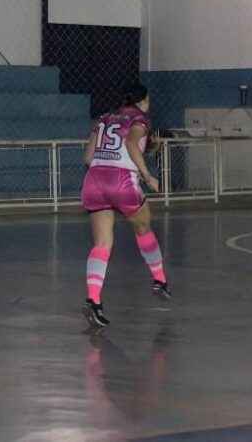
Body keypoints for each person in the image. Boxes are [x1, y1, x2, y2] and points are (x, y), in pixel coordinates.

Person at [81, 83, 171, 328]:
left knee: (102, 244)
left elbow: (87, 158)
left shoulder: (104, 118)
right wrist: (148, 175)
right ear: (142, 101)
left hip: (94, 180)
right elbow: (131, 144)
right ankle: (160, 280)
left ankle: (94, 300)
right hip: (121, 181)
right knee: (143, 228)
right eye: (149, 100)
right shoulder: (141, 118)